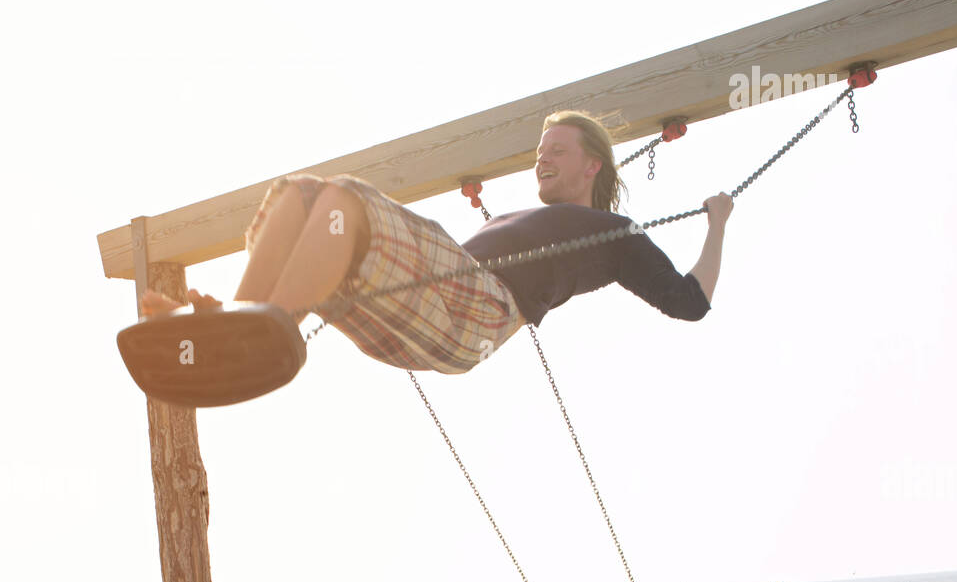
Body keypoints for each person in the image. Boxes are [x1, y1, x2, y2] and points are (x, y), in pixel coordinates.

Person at [139, 112, 732, 379]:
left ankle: (251, 327)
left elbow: (690, 301)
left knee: (346, 199)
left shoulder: (614, 233)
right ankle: (233, 331)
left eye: (557, 151)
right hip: (420, 308)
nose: (541, 159)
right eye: (537, 153)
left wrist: (717, 221)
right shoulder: (525, 214)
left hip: (471, 313)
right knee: (298, 198)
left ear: (592, 165)